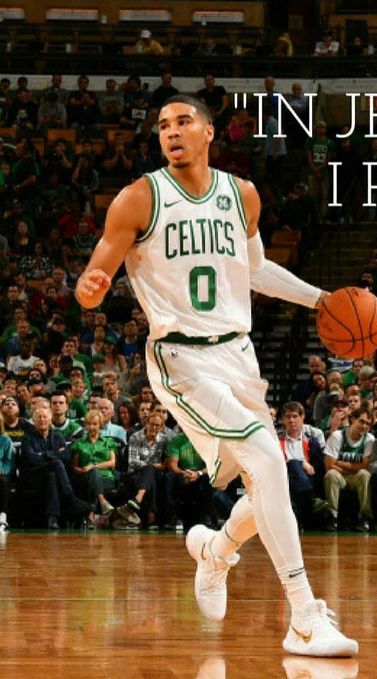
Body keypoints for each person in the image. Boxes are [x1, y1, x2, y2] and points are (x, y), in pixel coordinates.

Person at [74, 94, 358, 656]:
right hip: (180, 358)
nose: (171, 132)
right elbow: (101, 262)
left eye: (183, 122)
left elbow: (254, 270)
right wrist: (92, 284)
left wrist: (321, 298)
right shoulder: (139, 197)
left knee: (265, 480)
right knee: (265, 456)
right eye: (162, 125)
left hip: (239, 355)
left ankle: (217, 550)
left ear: (209, 131)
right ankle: (303, 615)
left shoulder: (241, 194)